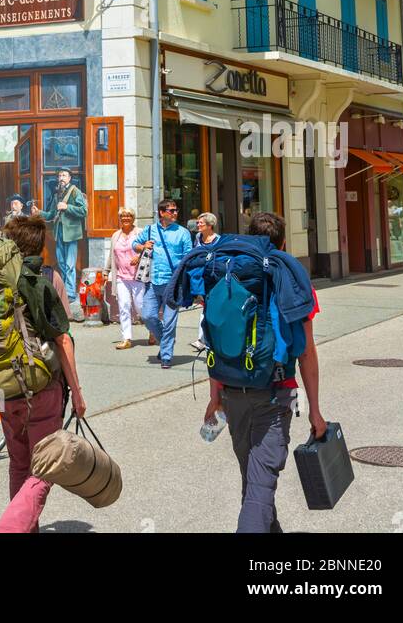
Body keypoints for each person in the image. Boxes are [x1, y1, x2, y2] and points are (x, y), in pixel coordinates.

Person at [199, 212, 325, 534]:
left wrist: (216, 396)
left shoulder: (230, 276)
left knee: (254, 483)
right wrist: (316, 411)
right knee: (259, 487)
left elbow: (218, 336)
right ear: (283, 242)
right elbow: (307, 352)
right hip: (275, 393)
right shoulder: (292, 279)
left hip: (232, 393)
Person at [0, 215, 87, 534]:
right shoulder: (49, 277)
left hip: (3, 387)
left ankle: (24, 528)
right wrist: (76, 391)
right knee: (44, 468)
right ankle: (12, 528)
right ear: (40, 245)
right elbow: (63, 339)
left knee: (19, 464)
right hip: (41, 387)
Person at [132, 197, 193, 369]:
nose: (175, 213)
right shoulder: (150, 230)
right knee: (148, 316)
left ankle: (166, 355)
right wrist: (143, 246)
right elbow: (134, 244)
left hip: (173, 283)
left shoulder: (183, 232)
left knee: (169, 321)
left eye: (176, 210)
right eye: (171, 210)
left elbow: (189, 256)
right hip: (152, 281)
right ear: (161, 212)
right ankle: (166, 342)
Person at [32, 167, 88, 318]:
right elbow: (51, 214)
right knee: (62, 264)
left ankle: (70, 294)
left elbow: (84, 211)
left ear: (70, 178)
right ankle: (64, 293)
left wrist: (67, 206)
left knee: (70, 265)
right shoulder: (57, 193)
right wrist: (39, 213)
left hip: (71, 234)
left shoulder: (75, 191)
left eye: (64, 175)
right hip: (59, 233)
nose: (61, 177)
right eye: (59, 175)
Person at [105, 206, 145, 350]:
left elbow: (150, 249)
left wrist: (139, 256)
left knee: (140, 307)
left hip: (137, 276)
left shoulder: (140, 233)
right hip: (121, 276)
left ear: (133, 218)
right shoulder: (116, 235)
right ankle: (126, 338)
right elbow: (112, 254)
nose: (125, 218)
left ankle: (153, 330)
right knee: (123, 306)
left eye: (128, 216)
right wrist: (106, 271)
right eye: (123, 216)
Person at [190, 212, 220, 352]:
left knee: (207, 307)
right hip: (199, 278)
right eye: (198, 222)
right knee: (205, 306)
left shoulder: (218, 240)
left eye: (201, 223)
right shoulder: (198, 237)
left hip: (212, 278)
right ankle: (204, 339)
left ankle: (203, 339)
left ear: (210, 225)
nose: (198, 224)